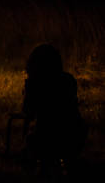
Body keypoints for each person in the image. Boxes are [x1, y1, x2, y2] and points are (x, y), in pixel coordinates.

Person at [21, 44, 87, 173]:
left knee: (35, 139)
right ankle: (66, 161)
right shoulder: (68, 80)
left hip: (47, 137)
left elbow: (27, 111)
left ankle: (45, 165)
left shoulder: (35, 84)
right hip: (75, 134)